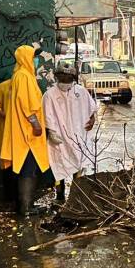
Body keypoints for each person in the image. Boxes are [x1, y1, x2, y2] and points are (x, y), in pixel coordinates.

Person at [0, 45, 51, 215]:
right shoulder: (23, 77)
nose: (36, 60)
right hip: (27, 132)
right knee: (28, 169)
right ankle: (26, 208)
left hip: (23, 130)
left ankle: (24, 205)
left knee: (24, 168)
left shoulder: (22, 75)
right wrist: (36, 125)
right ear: (26, 58)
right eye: (33, 57)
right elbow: (26, 104)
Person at [43, 61, 98, 205]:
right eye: (62, 79)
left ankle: (76, 195)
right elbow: (47, 115)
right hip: (59, 137)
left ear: (73, 78)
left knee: (79, 164)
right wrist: (52, 132)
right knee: (58, 165)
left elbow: (92, 109)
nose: (65, 82)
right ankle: (60, 195)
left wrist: (92, 120)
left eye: (68, 79)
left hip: (79, 134)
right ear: (57, 77)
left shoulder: (81, 91)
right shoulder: (50, 95)